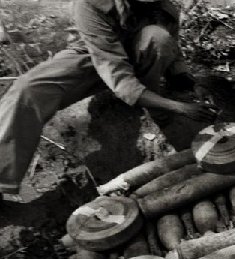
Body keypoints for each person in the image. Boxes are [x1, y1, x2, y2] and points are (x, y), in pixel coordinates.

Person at [0, 0, 217, 201]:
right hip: (93, 55)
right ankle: (3, 179)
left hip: (137, 57)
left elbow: (173, 52)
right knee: (27, 90)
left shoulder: (164, 8)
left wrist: (189, 83)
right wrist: (178, 106)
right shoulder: (91, 4)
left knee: (157, 37)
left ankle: (154, 106)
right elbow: (119, 77)